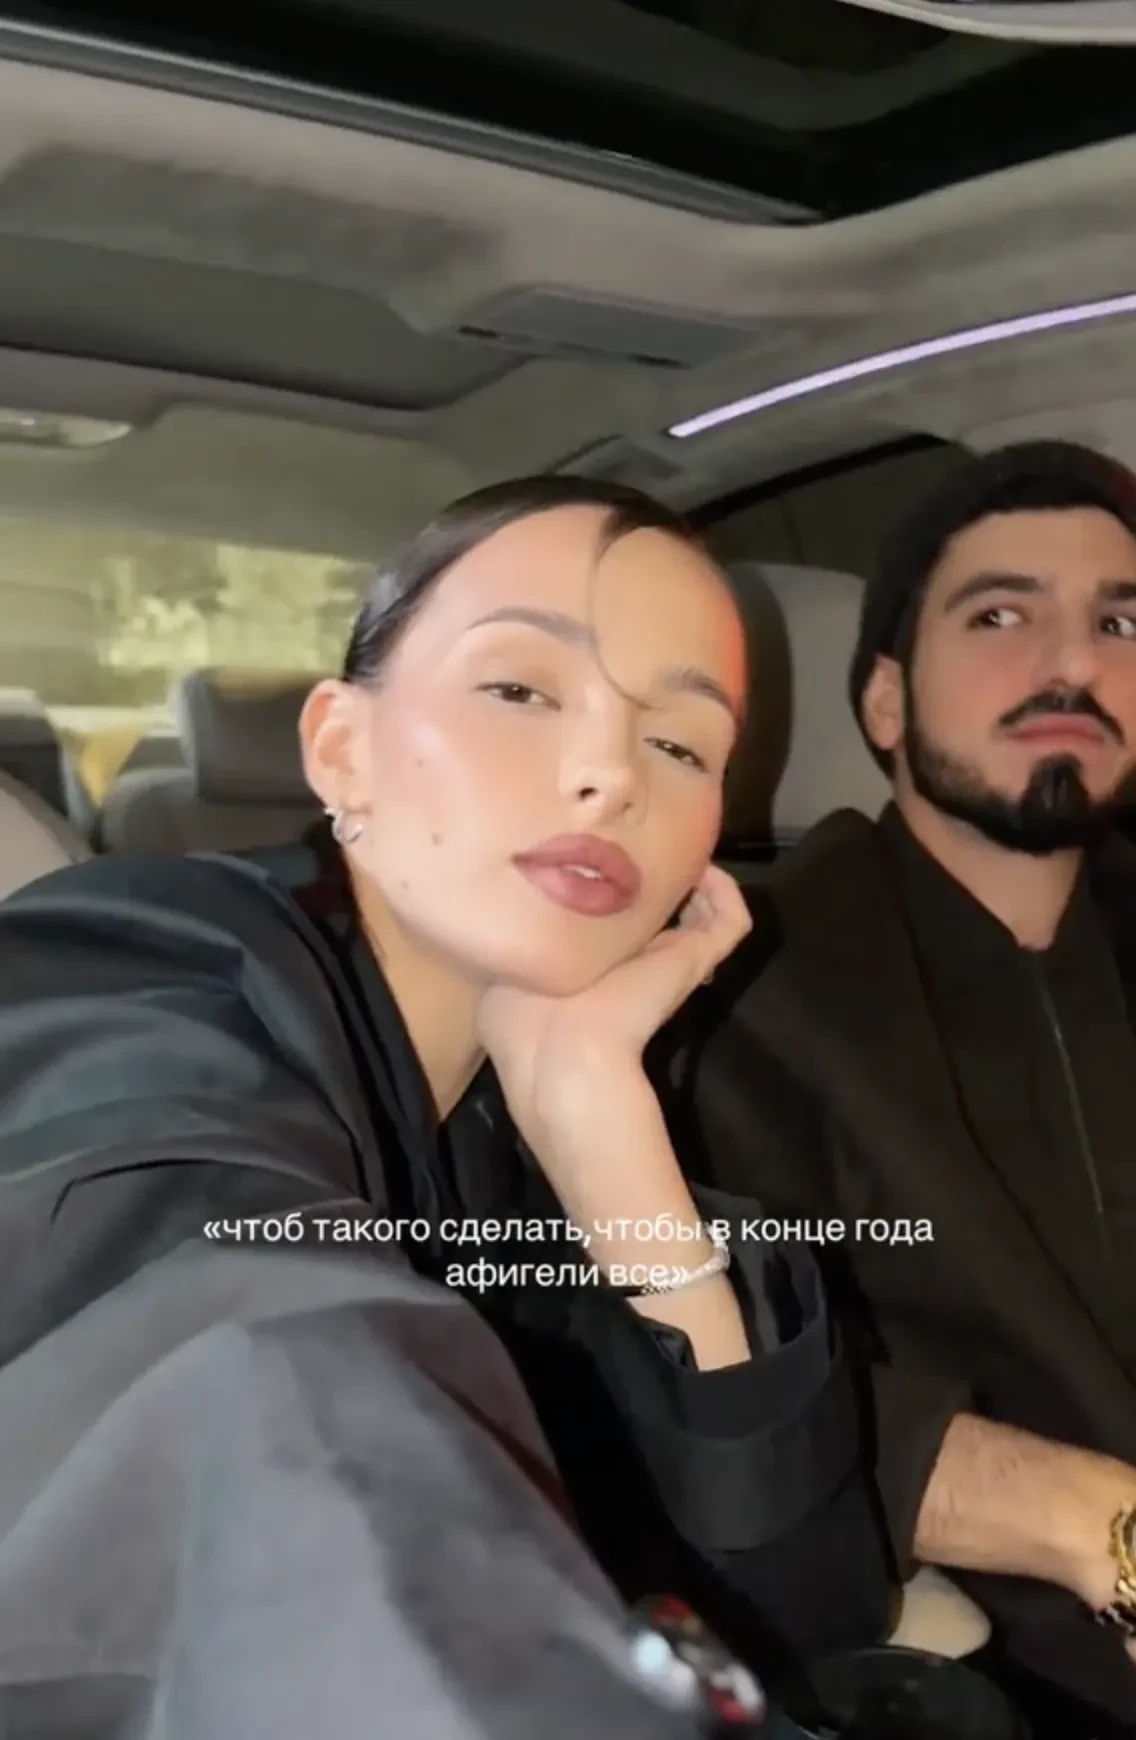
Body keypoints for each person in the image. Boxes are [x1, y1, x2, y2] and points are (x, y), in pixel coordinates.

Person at [0, 477, 892, 1740]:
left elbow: (799, 1613)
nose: (608, 775)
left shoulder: (544, 1093)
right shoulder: (133, 970)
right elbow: (241, 1375)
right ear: (340, 750)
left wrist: (606, 1145)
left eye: (680, 746)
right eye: (520, 689)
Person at [654, 439, 1136, 1734]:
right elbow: (732, 1375)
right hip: (1012, 1665)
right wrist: (1095, 1521)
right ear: (882, 702)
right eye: (1000, 616)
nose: (1074, 663)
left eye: (1118, 623)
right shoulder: (739, 989)